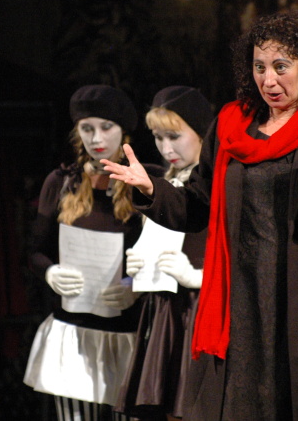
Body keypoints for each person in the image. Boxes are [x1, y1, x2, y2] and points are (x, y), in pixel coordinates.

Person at [102, 11, 298, 420]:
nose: (269, 80)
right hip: (242, 296)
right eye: (259, 67)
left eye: (281, 67)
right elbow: (197, 206)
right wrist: (151, 190)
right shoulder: (231, 124)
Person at [23, 85, 161, 421]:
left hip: (127, 332)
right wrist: (50, 272)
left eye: (106, 127)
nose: (96, 138)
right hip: (74, 331)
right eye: (87, 128)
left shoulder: (147, 180)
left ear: (123, 131)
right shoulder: (61, 181)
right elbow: (35, 251)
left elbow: (165, 251)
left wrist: (136, 286)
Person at [116, 86, 214, 420]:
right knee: (160, 403)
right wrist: (135, 271)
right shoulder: (163, 179)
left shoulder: (216, 184)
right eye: (158, 138)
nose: (166, 148)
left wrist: (198, 277)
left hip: (197, 309)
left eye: (174, 136)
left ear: (201, 134)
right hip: (163, 309)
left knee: (191, 404)